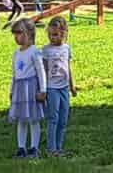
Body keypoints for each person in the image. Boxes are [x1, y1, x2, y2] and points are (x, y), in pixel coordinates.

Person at [6, 17, 46, 158]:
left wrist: (43, 90)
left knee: (33, 119)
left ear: (29, 34)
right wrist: (11, 90)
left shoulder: (35, 51)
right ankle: (21, 147)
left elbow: (41, 72)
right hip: (19, 89)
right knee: (21, 120)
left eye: (19, 33)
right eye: (15, 33)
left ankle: (34, 148)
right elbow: (14, 73)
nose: (16, 36)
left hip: (31, 88)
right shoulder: (16, 54)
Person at [40, 14, 77, 157]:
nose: (51, 37)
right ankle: (51, 149)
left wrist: (72, 85)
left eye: (55, 34)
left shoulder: (66, 48)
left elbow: (69, 67)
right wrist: (42, 89)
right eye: (49, 34)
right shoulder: (45, 50)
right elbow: (43, 71)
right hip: (51, 88)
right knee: (53, 118)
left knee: (63, 119)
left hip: (64, 88)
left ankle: (59, 147)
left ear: (64, 33)